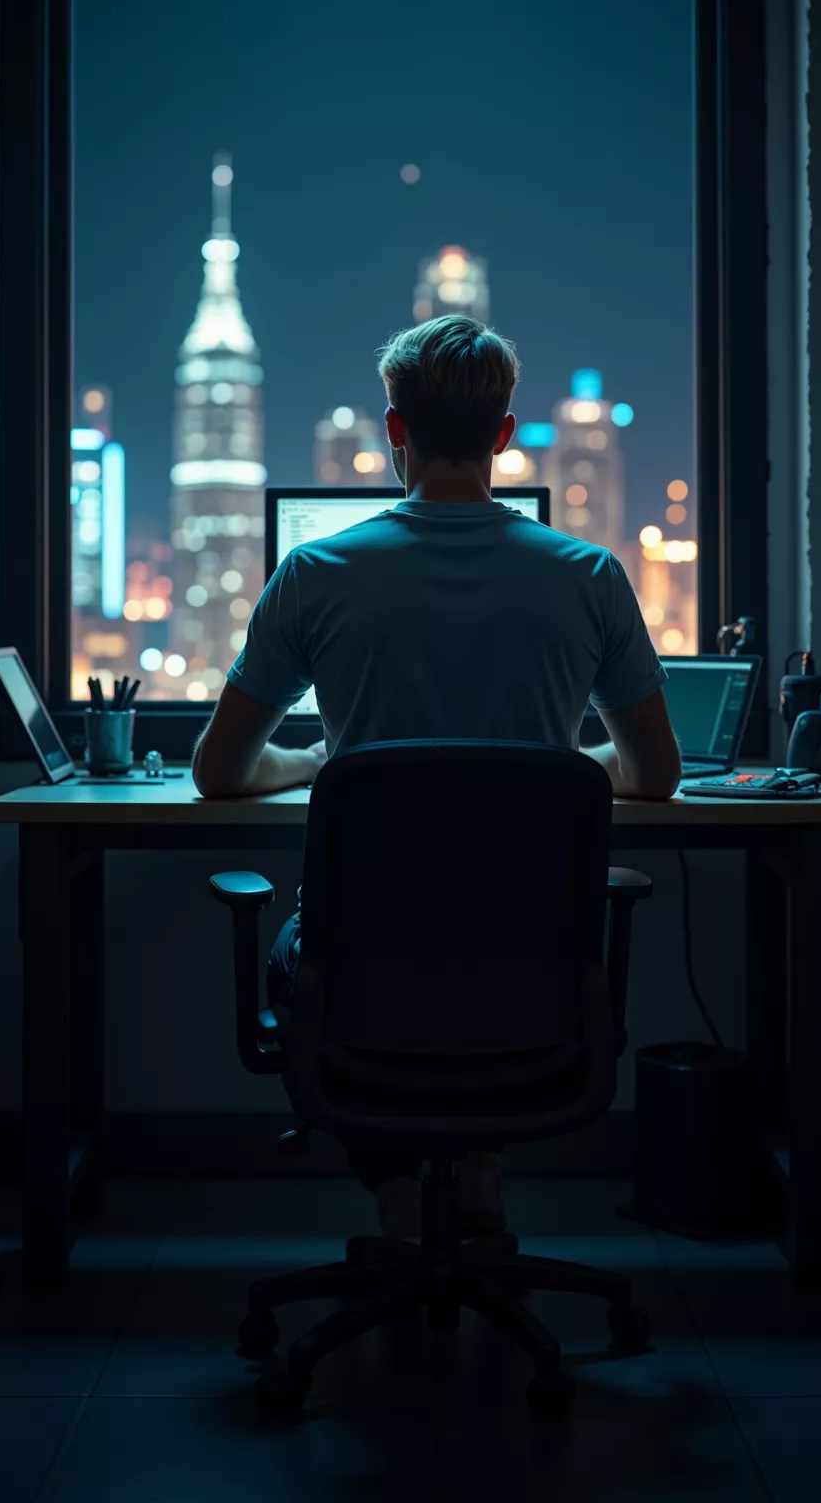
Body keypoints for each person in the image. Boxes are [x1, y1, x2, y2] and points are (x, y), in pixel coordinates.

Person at [192, 314, 681, 1238]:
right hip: (533, 967)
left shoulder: (315, 573)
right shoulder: (590, 576)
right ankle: (481, 1175)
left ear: (392, 430)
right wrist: (556, 773)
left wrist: (319, 763)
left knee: (322, 956)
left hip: (364, 968)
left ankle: (397, 1196)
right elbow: (655, 775)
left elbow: (219, 773)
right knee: (483, 973)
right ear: (504, 435)